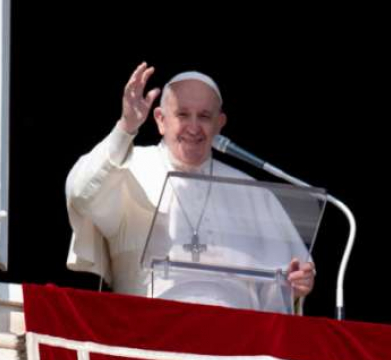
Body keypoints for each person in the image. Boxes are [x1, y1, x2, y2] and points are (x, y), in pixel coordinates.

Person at [65, 62, 315, 312]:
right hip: (148, 329)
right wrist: (126, 126)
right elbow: (81, 193)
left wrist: (292, 286)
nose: (194, 127)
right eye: (182, 114)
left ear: (220, 124)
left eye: (204, 116)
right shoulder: (127, 167)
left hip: (237, 338)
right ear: (161, 120)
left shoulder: (251, 191)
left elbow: (276, 288)